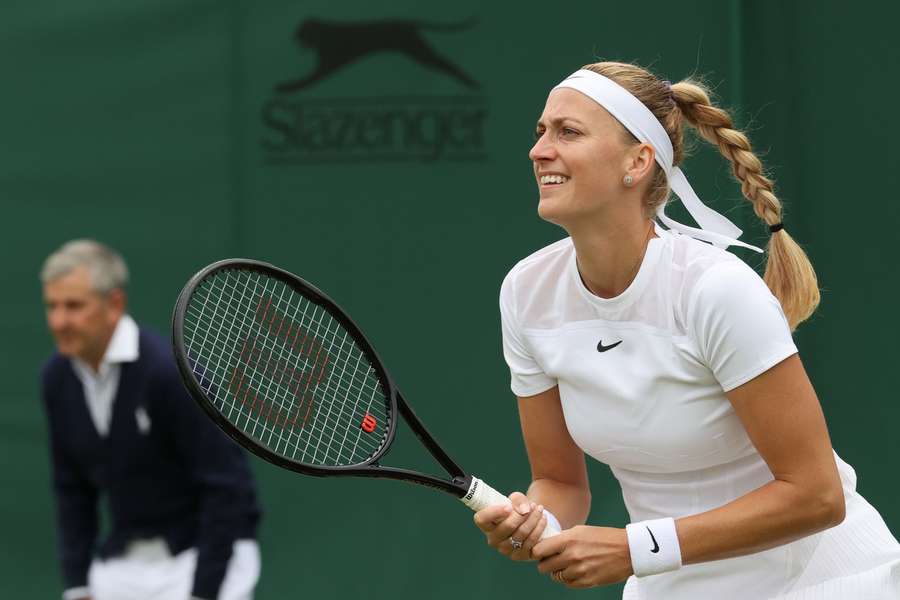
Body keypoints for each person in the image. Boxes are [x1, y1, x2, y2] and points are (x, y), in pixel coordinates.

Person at [473, 62, 900, 598]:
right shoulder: (526, 292)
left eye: (568, 132)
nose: (539, 150)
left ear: (638, 161)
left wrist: (636, 549)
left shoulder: (714, 290)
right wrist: (534, 522)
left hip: (825, 582)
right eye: (540, 132)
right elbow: (560, 483)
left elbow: (817, 496)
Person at [40, 240, 263, 600]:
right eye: (52, 306)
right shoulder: (56, 379)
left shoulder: (167, 373)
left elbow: (226, 487)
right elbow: (72, 491)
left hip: (207, 554)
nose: (59, 321)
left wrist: (204, 590)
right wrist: (78, 585)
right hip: (124, 565)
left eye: (74, 306)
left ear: (114, 304)